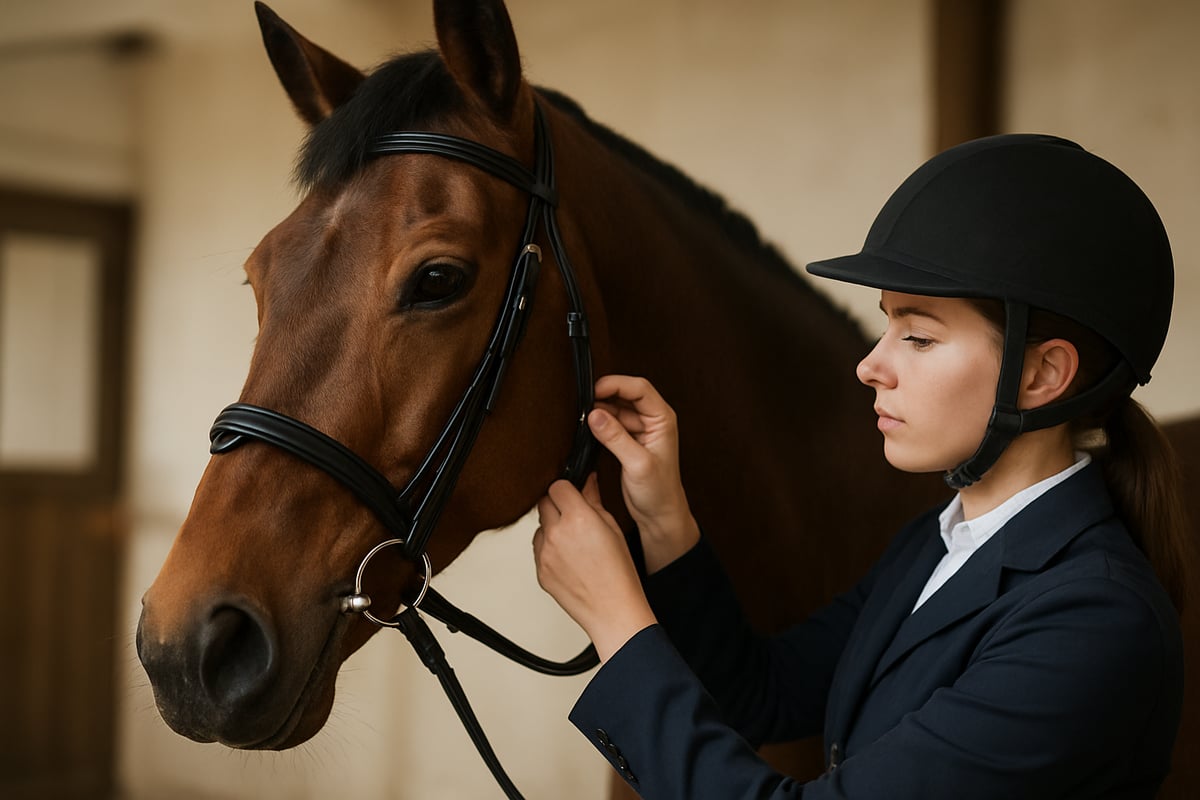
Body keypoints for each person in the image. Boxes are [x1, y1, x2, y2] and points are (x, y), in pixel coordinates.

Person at [532, 133, 1188, 799]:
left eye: (919, 336)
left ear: (1043, 373)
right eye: (886, 326)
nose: (871, 366)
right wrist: (664, 520)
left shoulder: (1091, 623)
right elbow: (760, 694)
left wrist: (616, 617)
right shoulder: (935, 544)